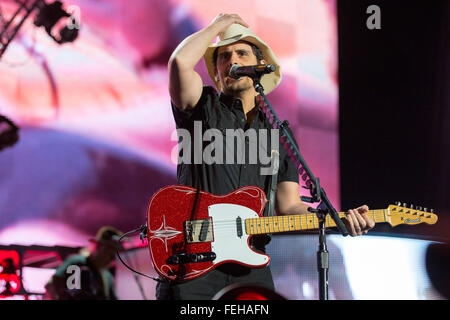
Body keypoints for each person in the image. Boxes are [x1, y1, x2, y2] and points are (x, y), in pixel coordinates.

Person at [158, 13, 375, 300]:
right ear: (218, 72)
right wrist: (217, 27)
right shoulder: (202, 106)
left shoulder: (278, 136)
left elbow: (289, 207)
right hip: (193, 262)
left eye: (241, 52)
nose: (232, 58)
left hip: (250, 265)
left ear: (259, 67)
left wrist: (338, 219)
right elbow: (179, 63)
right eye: (223, 56)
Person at [45, 226, 123, 300]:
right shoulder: (77, 262)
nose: (113, 258)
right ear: (99, 247)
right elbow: (51, 286)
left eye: (115, 254)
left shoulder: (107, 277)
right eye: (110, 253)